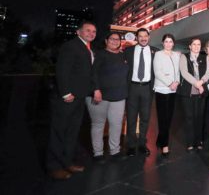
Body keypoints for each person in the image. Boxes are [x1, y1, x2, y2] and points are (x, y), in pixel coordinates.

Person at [47, 21, 96, 180]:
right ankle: (54, 167)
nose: (91, 33)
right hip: (67, 98)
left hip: (79, 97)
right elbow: (62, 70)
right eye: (87, 30)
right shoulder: (71, 46)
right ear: (78, 32)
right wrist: (66, 93)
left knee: (72, 132)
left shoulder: (87, 49)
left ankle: (67, 162)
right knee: (59, 132)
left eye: (94, 31)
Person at [86, 32, 128, 162]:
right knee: (98, 124)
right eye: (112, 39)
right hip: (100, 96)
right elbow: (93, 74)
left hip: (119, 96)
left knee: (116, 125)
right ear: (106, 40)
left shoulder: (123, 55)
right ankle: (97, 152)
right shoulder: (99, 54)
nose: (115, 41)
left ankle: (114, 150)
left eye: (118, 39)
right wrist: (96, 90)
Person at [124, 28, 158, 156]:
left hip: (147, 88)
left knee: (145, 118)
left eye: (145, 36)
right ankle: (131, 145)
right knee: (131, 118)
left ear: (149, 37)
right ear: (136, 38)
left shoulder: (155, 51)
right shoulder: (128, 51)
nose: (143, 38)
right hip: (132, 88)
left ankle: (142, 144)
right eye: (140, 36)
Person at [178, 38, 209, 151]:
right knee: (189, 117)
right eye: (194, 44)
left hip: (201, 91)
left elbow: (207, 73)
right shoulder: (184, 57)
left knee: (199, 117)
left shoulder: (204, 57)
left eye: (198, 44)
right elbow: (184, 72)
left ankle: (198, 141)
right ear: (190, 46)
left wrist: (201, 82)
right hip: (188, 92)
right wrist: (197, 83)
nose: (196, 46)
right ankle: (190, 142)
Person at [152, 34, 180, 156]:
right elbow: (157, 72)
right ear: (163, 43)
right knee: (162, 118)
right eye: (166, 41)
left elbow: (178, 71)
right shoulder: (158, 54)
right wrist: (170, 83)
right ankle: (165, 145)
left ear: (173, 43)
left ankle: (159, 140)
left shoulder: (176, 55)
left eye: (170, 41)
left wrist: (177, 82)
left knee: (169, 118)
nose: (168, 44)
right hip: (162, 89)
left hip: (173, 90)